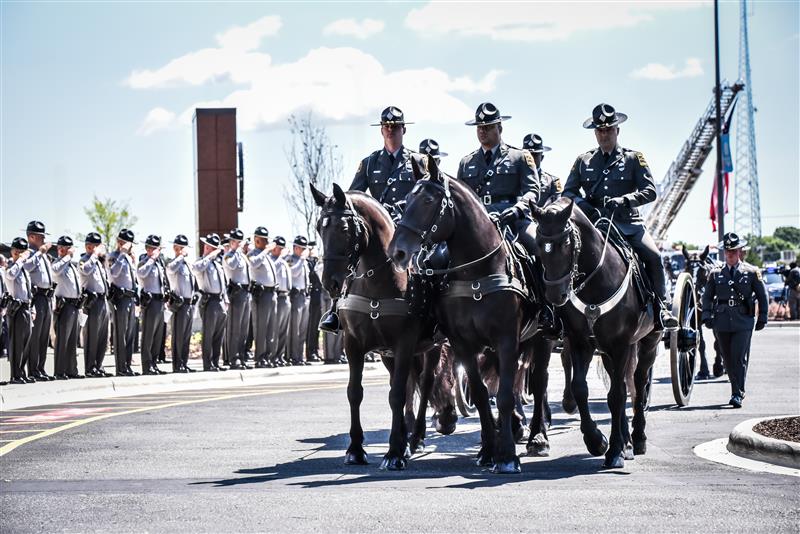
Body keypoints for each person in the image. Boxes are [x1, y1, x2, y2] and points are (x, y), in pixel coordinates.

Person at [562, 103, 678, 329]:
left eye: (608, 130)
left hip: (628, 225)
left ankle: (661, 309)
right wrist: (586, 207)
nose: (604, 134)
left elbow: (650, 191)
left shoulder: (633, 158)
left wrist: (624, 200)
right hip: (595, 226)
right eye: (600, 130)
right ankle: (561, 313)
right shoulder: (583, 161)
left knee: (654, 256)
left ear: (617, 130)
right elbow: (568, 192)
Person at [320, 106, 427, 334]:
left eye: (395, 127)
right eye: (386, 126)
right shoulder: (370, 163)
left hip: (407, 229)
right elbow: (351, 197)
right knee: (351, 259)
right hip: (378, 231)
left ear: (403, 129)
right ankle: (336, 311)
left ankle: (435, 314)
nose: (390, 130)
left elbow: (427, 196)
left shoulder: (418, 161)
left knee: (429, 262)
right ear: (381, 130)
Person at [701, 233, 768, 408]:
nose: (730, 254)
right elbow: (707, 297)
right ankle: (737, 389)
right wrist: (706, 315)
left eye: (733, 251)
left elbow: (762, 295)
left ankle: (737, 393)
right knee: (727, 359)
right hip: (722, 321)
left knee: (738, 357)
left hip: (743, 321)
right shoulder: (715, 273)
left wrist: (763, 317)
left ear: (739, 251)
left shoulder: (751, 272)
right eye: (727, 251)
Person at [22, 220, 55, 381]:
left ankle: (41, 368)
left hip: (47, 297)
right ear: (31, 237)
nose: (43, 239)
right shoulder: (28, 253)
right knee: (35, 336)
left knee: (44, 336)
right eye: (41, 236)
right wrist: (40, 253)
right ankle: (33, 369)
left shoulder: (43, 255)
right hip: (37, 297)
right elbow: (26, 267)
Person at [192, 233, 227, 372]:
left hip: (220, 301)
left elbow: (222, 283)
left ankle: (215, 362)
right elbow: (196, 268)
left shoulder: (217, 264)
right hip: (209, 301)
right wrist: (209, 256)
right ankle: (208, 364)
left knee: (218, 334)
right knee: (209, 334)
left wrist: (225, 300)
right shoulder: (202, 262)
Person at [107, 228, 140, 376]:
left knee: (130, 334)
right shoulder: (114, 256)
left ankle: (127, 365)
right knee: (121, 334)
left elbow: (133, 279)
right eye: (129, 243)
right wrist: (122, 253)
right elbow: (113, 273)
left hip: (130, 298)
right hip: (120, 299)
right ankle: (121, 368)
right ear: (120, 242)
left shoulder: (128, 257)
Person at [51, 236, 84, 379]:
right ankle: (60, 371)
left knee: (72, 340)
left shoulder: (72, 265)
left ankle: (72, 370)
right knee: (63, 340)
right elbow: (55, 271)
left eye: (67, 247)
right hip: (64, 306)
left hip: (75, 305)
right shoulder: (58, 263)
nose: (63, 249)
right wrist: (66, 257)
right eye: (61, 247)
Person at [79, 232, 111, 377]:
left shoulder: (99, 262)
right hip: (92, 302)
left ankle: (99, 365)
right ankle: (90, 367)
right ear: (90, 247)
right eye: (98, 246)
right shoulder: (84, 260)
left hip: (103, 300)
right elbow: (85, 271)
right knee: (92, 336)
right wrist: (94, 255)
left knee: (103, 336)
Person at [137, 235, 169, 375]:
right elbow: (141, 274)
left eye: (158, 249)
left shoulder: (159, 263)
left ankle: (154, 364)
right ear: (148, 249)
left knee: (157, 336)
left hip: (160, 301)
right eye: (155, 249)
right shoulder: (143, 262)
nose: (157, 251)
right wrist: (151, 259)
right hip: (150, 302)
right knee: (148, 335)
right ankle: (146, 366)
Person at [5, 238, 34, 384]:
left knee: (26, 342)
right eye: (17, 251)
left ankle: (22, 372)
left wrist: (32, 308)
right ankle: (15, 375)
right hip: (16, 308)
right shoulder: (11, 266)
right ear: (13, 252)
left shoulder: (24, 269)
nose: (20, 254)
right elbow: (10, 275)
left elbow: (28, 290)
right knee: (17, 343)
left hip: (26, 307)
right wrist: (20, 260)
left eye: (22, 251)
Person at [247, 226, 278, 368]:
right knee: (261, 327)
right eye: (263, 240)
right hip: (262, 294)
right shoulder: (252, 254)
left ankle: (269, 356)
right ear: (257, 240)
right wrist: (266, 251)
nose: (266, 243)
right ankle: (260, 357)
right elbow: (253, 263)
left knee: (271, 328)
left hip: (272, 293)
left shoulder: (267, 256)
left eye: (266, 240)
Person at [166, 234, 196, 373]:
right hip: (179, 304)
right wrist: (180, 257)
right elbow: (170, 270)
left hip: (189, 304)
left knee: (186, 336)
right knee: (178, 336)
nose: (184, 250)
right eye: (181, 247)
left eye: (185, 247)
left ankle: (184, 362)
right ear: (175, 248)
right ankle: (177, 365)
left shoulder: (187, 264)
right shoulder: (174, 263)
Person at [222, 228, 252, 370]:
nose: (239, 244)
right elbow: (231, 265)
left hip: (246, 292)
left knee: (244, 328)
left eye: (240, 241)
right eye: (236, 241)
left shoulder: (242, 256)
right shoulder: (229, 256)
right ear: (231, 242)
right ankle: (233, 358)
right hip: (236, 293)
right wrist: (236, 250)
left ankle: (241, 356)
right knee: (235, 328)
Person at [286, 236, 311, 366]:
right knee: (294, 328)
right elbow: (293, 273)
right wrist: (301, 260)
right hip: (295, 296)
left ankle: (300, 356)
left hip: (304, 295)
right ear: (295, 247)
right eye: (301, 248)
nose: (303, 251)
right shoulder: (290, 259)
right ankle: (293, 356)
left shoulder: (304, 261)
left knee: (302, 329)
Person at [269, 236, 292, 366]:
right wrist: (280, 258)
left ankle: (280, 355)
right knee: (275, 329)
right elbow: (273, 271)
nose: (281, 250)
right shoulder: (272, 260)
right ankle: (273, 356)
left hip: (286, 295)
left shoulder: (283, 261)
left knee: (284, 329)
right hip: (277, 296)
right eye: (279, 248)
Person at [521, 133, 562, 207]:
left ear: (542, 158)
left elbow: (558, 203)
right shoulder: (514, 178)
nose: (531, 158)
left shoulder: (552, 181)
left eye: (535, 155)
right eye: (528, 155)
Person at [305, 241, 322, 364]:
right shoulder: (308, 262)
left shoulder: (317, 262)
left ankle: (315, 350)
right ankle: (310, 352)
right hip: (312, 297)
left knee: (317, 327)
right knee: (311, 327)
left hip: (319, 296)